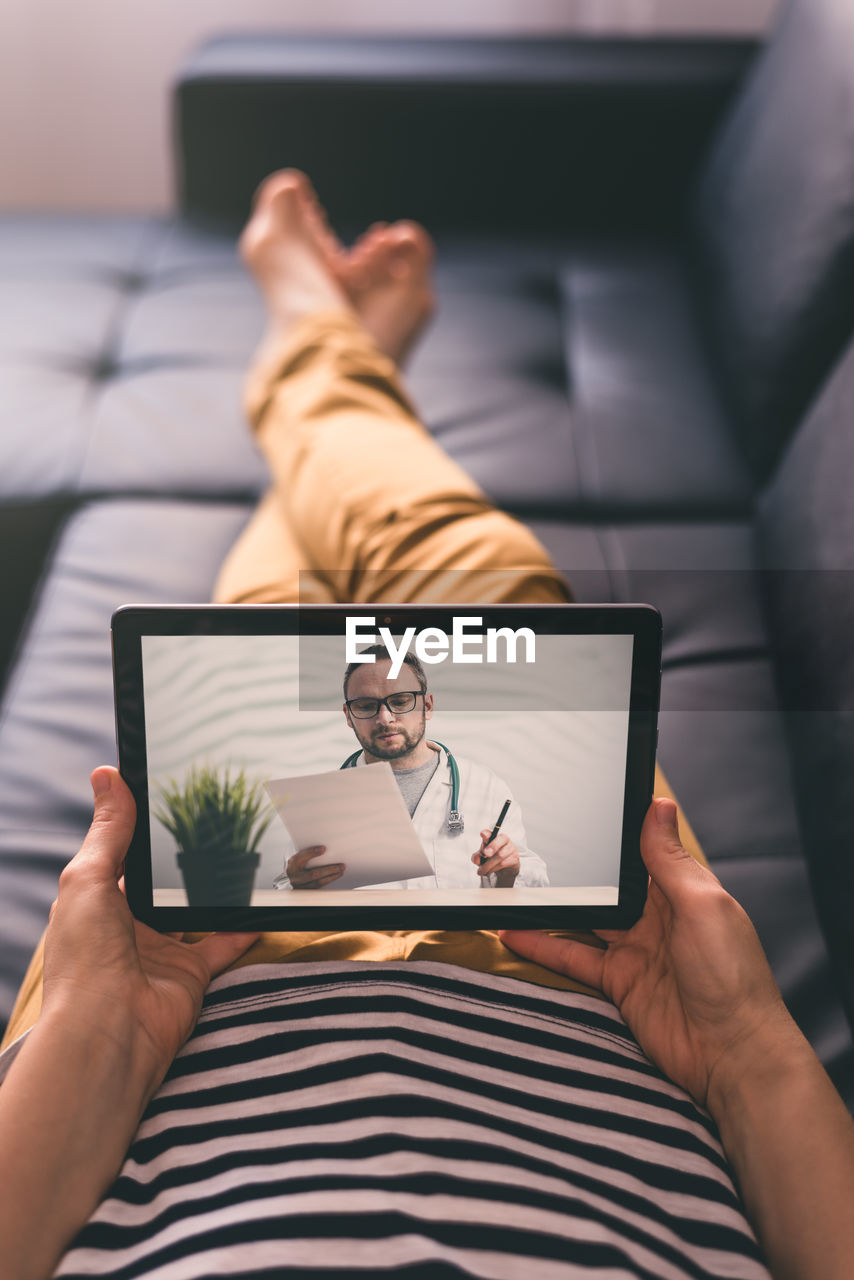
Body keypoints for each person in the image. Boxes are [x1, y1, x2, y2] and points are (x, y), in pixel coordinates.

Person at [1, 170, 853, 1280]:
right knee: (463, 565)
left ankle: (325, 348)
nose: (391, 712)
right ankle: (329, 354)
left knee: (267, 619)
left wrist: (94, 1029)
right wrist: (745, 1049)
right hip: (595, 991)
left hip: (187, 1008)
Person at [278, 644, 548, 891]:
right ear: (349, 716)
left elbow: (535, 887)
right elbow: (285, 889)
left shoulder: (485, 787)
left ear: (427, 706)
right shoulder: (321, 801)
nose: (385, 718)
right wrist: (296, 885)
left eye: (400, 701)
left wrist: (510, 870)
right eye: (366, 706)